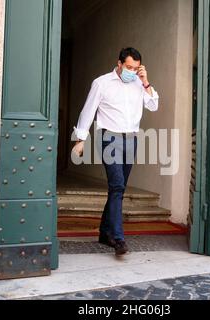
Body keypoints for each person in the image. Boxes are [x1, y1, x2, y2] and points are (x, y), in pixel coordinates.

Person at [72, 47, 159, 256]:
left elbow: (154, 105)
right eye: (129, 67)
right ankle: (118, 239)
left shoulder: (139, 84)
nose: (132, 71)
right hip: (108, 137)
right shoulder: (102, 83)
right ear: (119, 64)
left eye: (136, 68)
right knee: (118, 185)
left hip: (131, 139)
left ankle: (104, 232)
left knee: (117, 189)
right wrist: (80, 140)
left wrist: (145, 81)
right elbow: (88, 110)